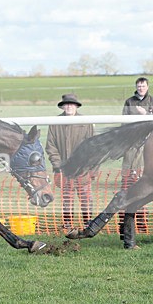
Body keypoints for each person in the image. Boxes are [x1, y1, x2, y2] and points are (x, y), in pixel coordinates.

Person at [45, 93, 95, 230]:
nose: (69, 107)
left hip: (83, 169)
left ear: (76, 106)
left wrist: (89, 166)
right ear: (62, 107)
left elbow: (92, 145)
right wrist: (57, 165)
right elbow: (50, 146)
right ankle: (67, 224)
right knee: (67, 199)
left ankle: (88, 223)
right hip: (64, 169)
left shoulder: (86, 122)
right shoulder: (55, 123)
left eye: (71, 104)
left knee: (86, 197)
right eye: (66, 104)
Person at [120, 76, 153, 233]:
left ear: (147, 87)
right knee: (126, 185)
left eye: (143, 85)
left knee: (143, 186)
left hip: (147, 146)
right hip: (131, 146)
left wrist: (145, 115)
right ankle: (123, 223)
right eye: (139, 85)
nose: (141, 88)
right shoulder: (129, 102)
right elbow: (123, 122)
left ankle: (143, 223)